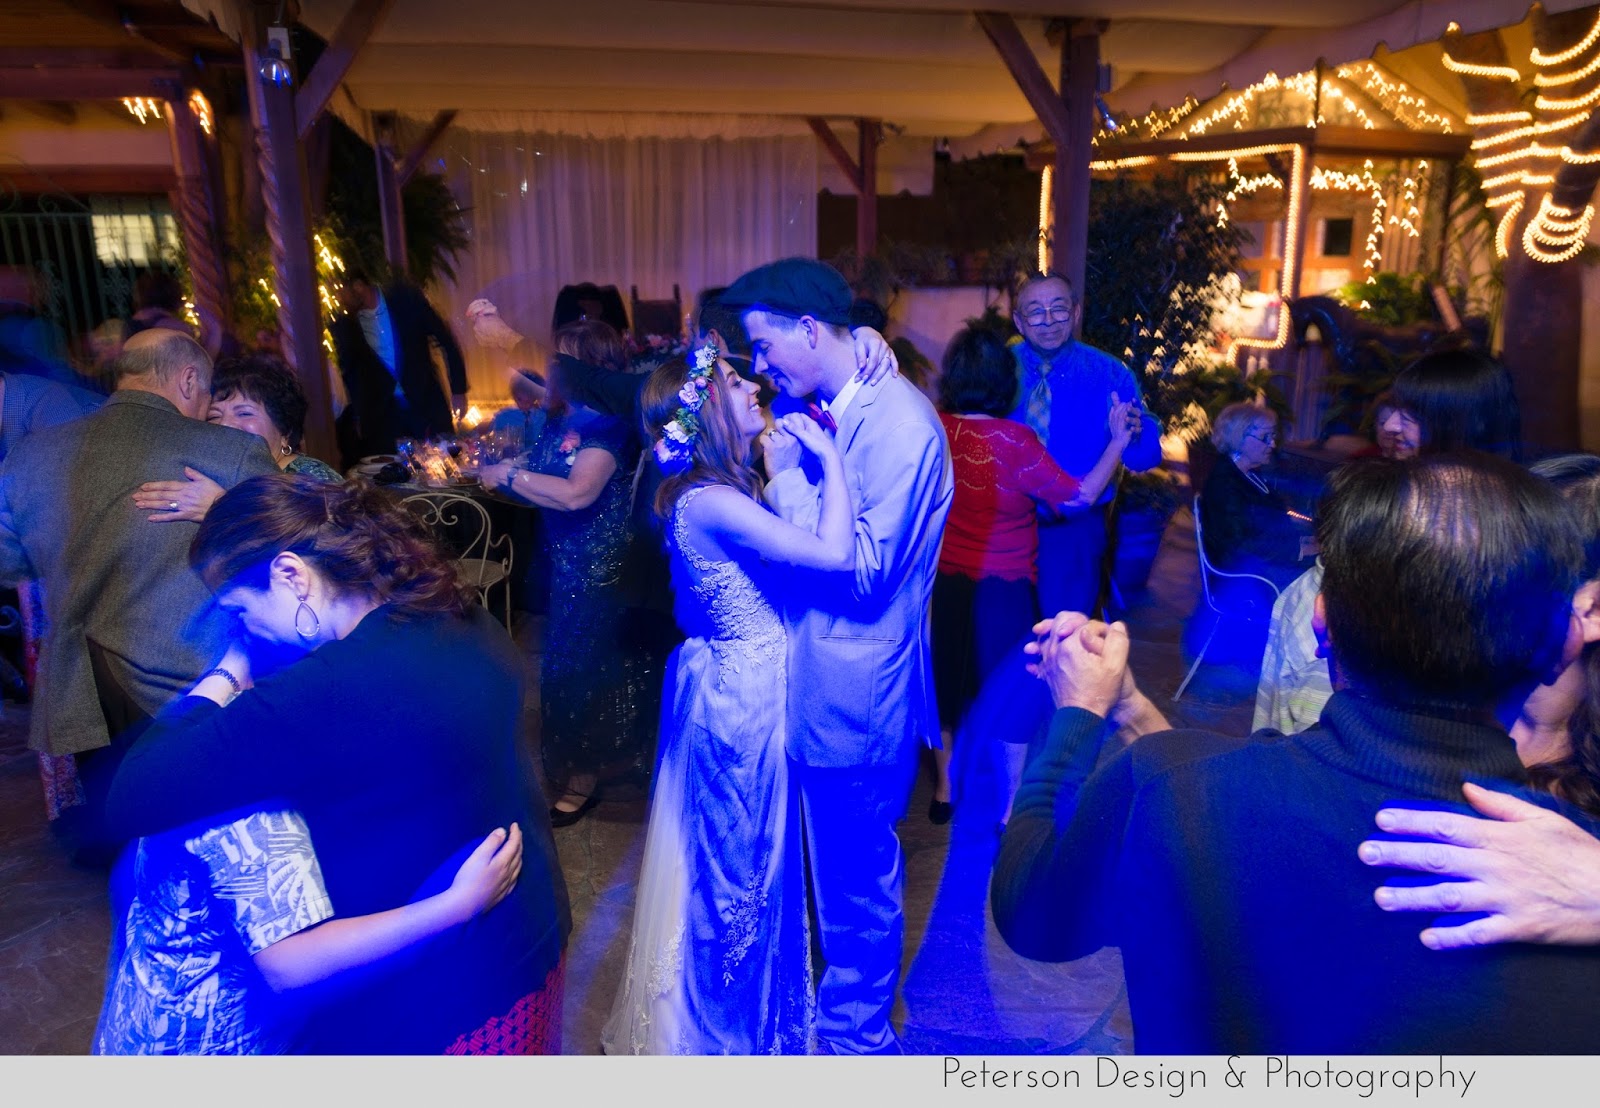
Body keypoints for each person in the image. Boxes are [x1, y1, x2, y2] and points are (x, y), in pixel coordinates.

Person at [992, 452, 1600, 1053]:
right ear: (1562, 645)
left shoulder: (1169, 790)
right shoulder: (1577, 869)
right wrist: (1126, 707)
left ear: (1320, 620)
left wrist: (1075, 717)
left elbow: (1034, 915)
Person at [101, 476, 569, 1054]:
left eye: (239, 610)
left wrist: (228, 668)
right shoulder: (453, 613)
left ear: (292, 575)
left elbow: (133, 793)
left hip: (449, 992)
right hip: (529, 933)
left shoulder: (330, 688)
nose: (242, 628)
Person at [721, 257, 953, 1055]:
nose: (757, 365)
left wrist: (784, 481)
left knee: (856, 882)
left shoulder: (901, 426)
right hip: (821, 676)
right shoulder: (840, 400)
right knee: (834, 872)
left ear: (810, 331)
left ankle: (856, 1044)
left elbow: (859, 574)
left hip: (855, 686)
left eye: (762, 344)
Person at [603, 346, 850, 1054]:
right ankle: (721, 1038)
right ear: (708, 408)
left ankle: (730, 1017)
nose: (755, 387)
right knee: (740, 872)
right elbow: (832, 555)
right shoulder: (711, 501)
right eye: (737, 382)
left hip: (737, 684)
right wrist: (827, 462)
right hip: (745, 698)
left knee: (739, 866)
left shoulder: (711, 489)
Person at [0, 330, 278, 780]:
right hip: (195, 685)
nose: (206, 411)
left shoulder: (30, 455)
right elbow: (285, 554)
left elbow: (8, 563)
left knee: (119, 823)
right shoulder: (232, 453)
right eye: (207, 395)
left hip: (82, 695)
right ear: (188, 380)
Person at [97, 810, 523, 1055]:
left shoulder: (195, 724)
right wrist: (456, 904)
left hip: (136, 1034)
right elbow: (287, 966)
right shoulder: (257, 809)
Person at [1253, 351, 1524, 734]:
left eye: (1411, 415)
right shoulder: (1382, 493)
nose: (1392, 426)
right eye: (1393, 410)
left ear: (1459, 422)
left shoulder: (1503, 531)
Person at [930, 326, 1134, 824]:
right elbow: (1078, 497)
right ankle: (1007, 809)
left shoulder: (934, 428)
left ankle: (943, 792)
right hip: (1005, 589)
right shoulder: (1015, 441)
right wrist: (1119, 440)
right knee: (1011, 697)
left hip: (947, 585)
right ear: (1006, 381)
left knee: (945, 688)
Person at [478, 320, 648, 826]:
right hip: (568, 560)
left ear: (590, 368)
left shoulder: (608, 425)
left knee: (583, 669)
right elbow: (533, 392)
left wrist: (508, 474)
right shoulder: (568, 411)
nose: (555, 369)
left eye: (565, 361)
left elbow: (578, 492)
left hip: (601, 567)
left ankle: (585, 779)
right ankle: (580, 766)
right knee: (564, 666)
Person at [1007, 271, 1162, 617]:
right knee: (1005, 640)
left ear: (1076, 313)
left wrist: (1137, 432)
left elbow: (1143, 459)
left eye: (1058, 309)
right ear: (1019, 320)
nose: (1048, 321)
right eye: (1035, 311)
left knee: (1066, 638)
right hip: (1003, 530)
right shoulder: (1001, 368)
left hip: (1074, 531)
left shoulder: (1109, 373)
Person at [129, 354, 344, 523]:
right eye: (214, 416)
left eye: (244, 413)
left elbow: (330, 541)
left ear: (284, 430)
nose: (225, 425)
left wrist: (220, 506)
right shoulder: (212, 477)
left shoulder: (308, 476)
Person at [330, 270, 469, 456]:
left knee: (444, 468)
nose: (338, 298)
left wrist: (458, 390)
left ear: (358, 286)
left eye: (340, 291)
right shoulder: (347, 325)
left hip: (425, 403)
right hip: (387, 417)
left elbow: (445, 339)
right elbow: (351, 373)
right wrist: (359, 416)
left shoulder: (404, 299)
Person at [1198, 402, 1313, 592]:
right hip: (1245, 578)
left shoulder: (1248, 474)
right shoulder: (1225, 483)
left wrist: (1304, 539)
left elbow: (1267, 523)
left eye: (1273, 436)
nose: (1272, 444)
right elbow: (1240, 545)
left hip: (1261, 566)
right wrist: (1299, 550)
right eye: (1265, 437)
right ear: (1238, 439)